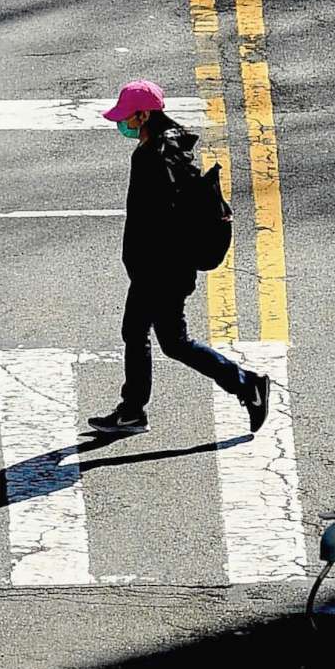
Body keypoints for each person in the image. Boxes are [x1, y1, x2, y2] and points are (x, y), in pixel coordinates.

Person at [85, 79, 271, 438]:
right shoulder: (162, 146)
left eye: (127, 117)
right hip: (158, 268)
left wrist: (150, 267)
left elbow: (164, 219)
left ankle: (246, 385)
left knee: (171, 341)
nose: (122, 124)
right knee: (143, 333)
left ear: (144, 114)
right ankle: (133, 410)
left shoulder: (158, 157)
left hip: (161, 270)